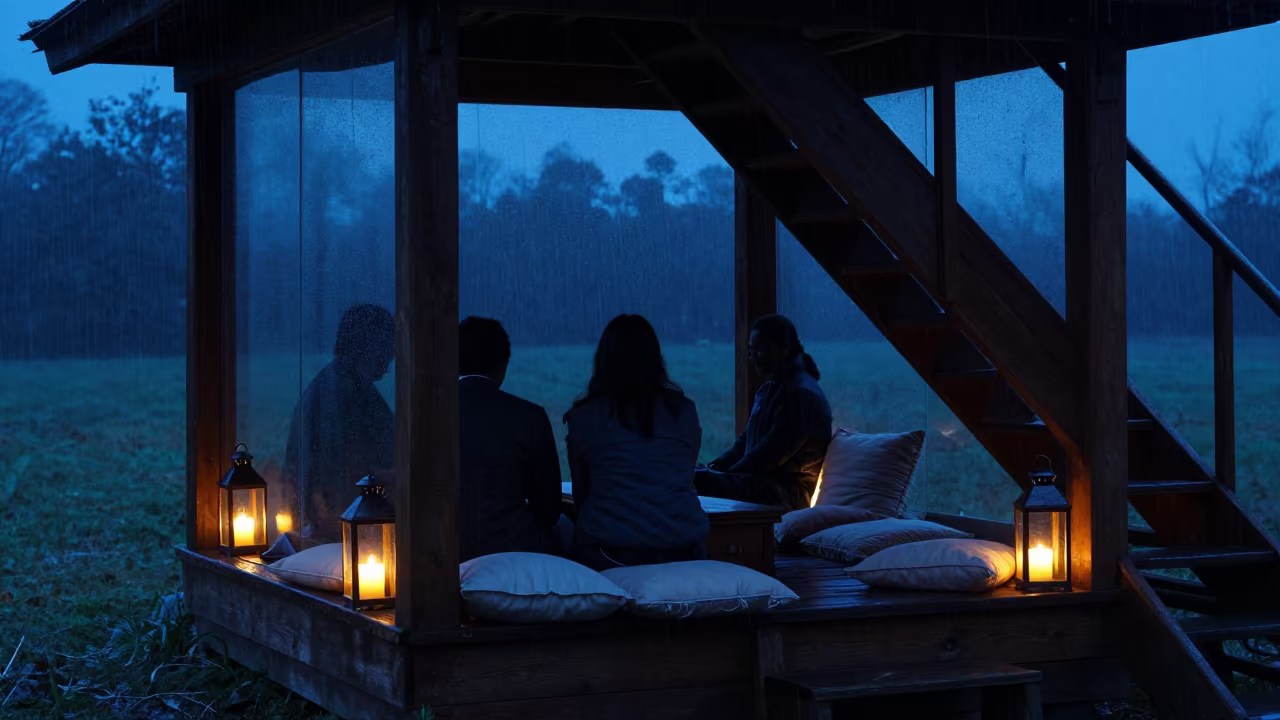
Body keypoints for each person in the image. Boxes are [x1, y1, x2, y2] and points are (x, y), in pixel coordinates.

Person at [564, 314, 709, 571]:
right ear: (656, 358)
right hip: (685, 547)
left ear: (603, 359)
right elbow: (686, 475)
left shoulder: (584, 417)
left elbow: (582, 494)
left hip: (610, 551)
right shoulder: (684, 410)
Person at [282, 304, 395, 542]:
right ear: (370, 344)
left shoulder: (332, 386)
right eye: (388, 346)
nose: (391, 357)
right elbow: (347, 468)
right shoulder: (345, 395)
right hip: (348, 530)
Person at [695, 314, 832, 511]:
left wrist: (725, 476)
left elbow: (771, 452)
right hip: (764, 483)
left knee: (695, 479)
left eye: (759, 350)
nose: (752, 357)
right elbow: (746, 442)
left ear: (783, 348)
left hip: (786, 494)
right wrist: (716, 467)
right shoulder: (771, 389)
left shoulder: (801, 395)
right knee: (697, 475)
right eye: (751, 351)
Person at [457, 316, 564, 562]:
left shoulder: (424, 418)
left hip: (440, 548)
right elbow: (549, 510)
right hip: (515, 550)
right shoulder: (529, 416)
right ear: (503, 365)